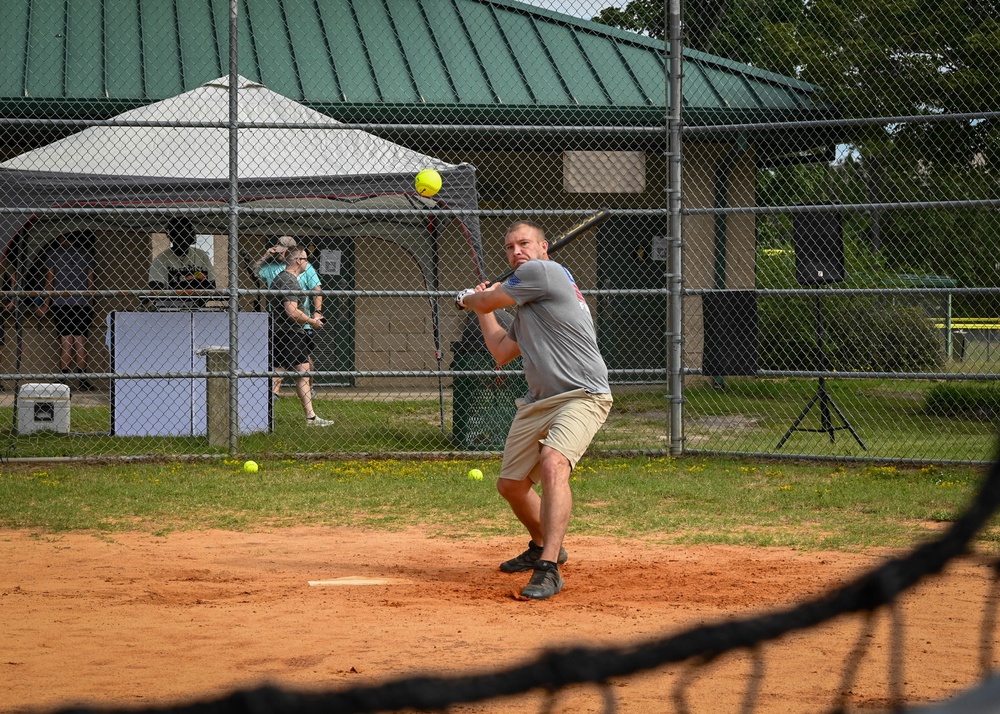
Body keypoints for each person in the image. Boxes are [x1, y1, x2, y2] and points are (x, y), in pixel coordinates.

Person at [456, 220, 613, 600]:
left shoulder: (544, 271)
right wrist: (482, 307)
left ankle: (548, 568)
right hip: (539, 400)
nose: (516, 252)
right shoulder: (528, 305)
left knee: (553, 462)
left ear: (544, 247)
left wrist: (469, 298)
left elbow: (490, 299)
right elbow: (501, 352)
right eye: (509, 248)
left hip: (582, 394)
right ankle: (546, 544)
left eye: (524, 243)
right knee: (510, 485)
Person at [270, 247, 333, 426]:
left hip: (282, 332)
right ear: (298, 261)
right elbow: (292, 312)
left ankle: (309, 416)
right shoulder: (289, 281)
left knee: (279, 370)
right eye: (305, 259)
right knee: (303, 371)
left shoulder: (281, 278)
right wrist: (312, 322)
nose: (307, 262)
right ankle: (311, 417)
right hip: (289, 332)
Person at [253, 236, 323, 399]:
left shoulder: (306, 267)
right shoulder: (271, 267)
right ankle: (275, 393)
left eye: (282, 249)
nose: (278, 252)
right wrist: (265, 256)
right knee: (284, 360)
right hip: (279, 320)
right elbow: (254, 273)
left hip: (301, 321)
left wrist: (317, 312)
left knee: (302, 359)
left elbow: (317, 289)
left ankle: (308, 390)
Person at [37, 230, 97, 391]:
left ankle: (63, 378)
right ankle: (83, 378)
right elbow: (90, 281)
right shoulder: (86, 254)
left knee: (65, 341)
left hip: (61, 301)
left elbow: (50, 280)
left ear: (63, 237)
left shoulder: (53, 253)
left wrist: (46, 304)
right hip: (82, 302)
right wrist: (89, 303)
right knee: (80, 340)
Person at [148, 216, 216, 293]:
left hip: (195, 302)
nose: (182, 241)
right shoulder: (161, 259)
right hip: (168, 304)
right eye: (178, 237)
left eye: (184, 236)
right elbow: (155, 288)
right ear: (171, 238)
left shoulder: (201, 256)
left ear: (191, 238)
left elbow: (212, 285)